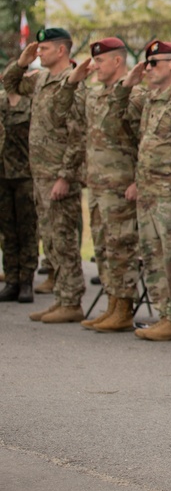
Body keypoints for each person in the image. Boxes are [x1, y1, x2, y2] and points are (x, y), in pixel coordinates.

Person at [110, 40, 171, 341]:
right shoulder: (150, 97)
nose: (148, 68)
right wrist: (128, 84)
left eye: (154, 63)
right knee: (153, 255)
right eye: (147, 63)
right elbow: (116, 120)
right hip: (148, 192)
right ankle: (165, 314)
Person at [55, 38, 141, 332]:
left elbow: (146, 139)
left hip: (121, 184)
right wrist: (73, 80)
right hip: (97, 185)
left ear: (117, 61)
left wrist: (138, 179)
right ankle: (112, 303)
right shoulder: (94, 95)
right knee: (104, 247)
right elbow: (60, 111)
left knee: (122, 246)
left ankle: (125, 307)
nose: (94, 66)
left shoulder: (133, 92)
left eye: (100, 61)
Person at [4, 29, 86, 323]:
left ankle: (72, 300)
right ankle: (63, 297)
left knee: (63, 238)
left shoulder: (73, 82)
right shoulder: (40, 79)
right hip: (39, 173)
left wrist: (65, 176)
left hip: (58, 174)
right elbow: (10, 83)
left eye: (44, 48)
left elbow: (77, 134)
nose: (39, 52)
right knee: (50, 239)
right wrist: (22, 61)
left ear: (62, 50)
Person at [0, 87, 35, 303]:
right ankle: (11, 279)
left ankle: (26, 281)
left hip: (24, 174)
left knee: (27, 229)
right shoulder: (1, 103)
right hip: (2, 174)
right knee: (7, 230)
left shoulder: (31, 103)